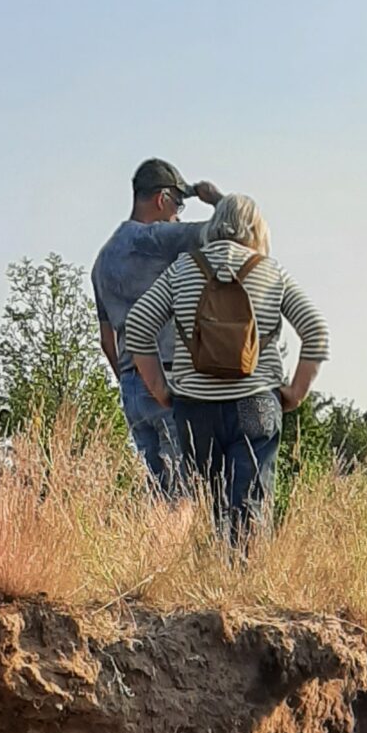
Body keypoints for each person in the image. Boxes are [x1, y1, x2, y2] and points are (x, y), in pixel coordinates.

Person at [123, 194, 327, 546]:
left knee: (213, 503)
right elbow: (315, 331)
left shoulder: (183, 269)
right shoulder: (270, 272)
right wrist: (295, 392)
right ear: (256, 229)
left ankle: (217, 582)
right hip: (255, 403)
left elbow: (139, 323)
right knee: (249, 503)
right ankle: (242, 586)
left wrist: (160, 388)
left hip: (194, 406)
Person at [90, 158, 223, 496]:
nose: (178, 213)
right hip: (169, 376)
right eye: (177, 203)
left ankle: (153, 550)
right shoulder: (158, 239)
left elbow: (108, 340)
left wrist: (133, 381)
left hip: (132, 387)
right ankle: (171, 551)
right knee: (186, 494)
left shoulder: (103, 259)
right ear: (162, 199)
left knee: (161, 495)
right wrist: (214, 199)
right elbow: (234, 229)